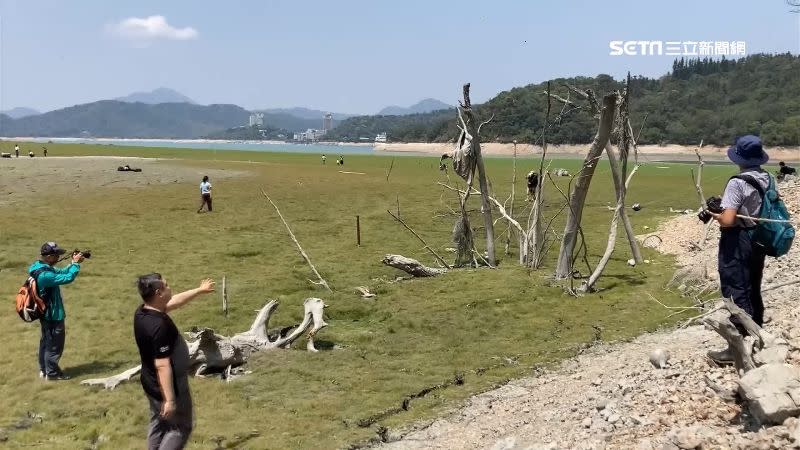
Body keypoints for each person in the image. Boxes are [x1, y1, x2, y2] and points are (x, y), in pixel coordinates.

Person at [699, 135, 775, 364]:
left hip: (738, 241)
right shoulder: (768, 177)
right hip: (758, 238)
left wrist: (715, 212)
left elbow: (728, 220)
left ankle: (736, 350)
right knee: (753, 287)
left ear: (739, 158)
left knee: (735, 291)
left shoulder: (738, 182)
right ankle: (758, 338)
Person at [134, 274, 215, 449]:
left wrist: (199, 290)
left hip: (150, 382)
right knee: (180, 428)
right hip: (169, 387)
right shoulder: (159, 326)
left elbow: (174, 302)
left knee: (160, 423)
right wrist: (170, 400)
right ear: (159, 293)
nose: (170, 287)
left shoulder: (143, 312)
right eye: (166, 285)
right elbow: (162, 365)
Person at [29, 242, 84, 380]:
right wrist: (76, 265)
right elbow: (67, 277)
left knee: (46, 342)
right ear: (48, 256)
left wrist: (72, 263)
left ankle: (44, 370)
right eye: (56, 255)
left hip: (45, 314)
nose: (58, 257)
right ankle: (52, 374)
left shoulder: (40, 267)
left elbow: (61, 272)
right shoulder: (45, 275)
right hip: (53, 315)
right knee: (54, 346)